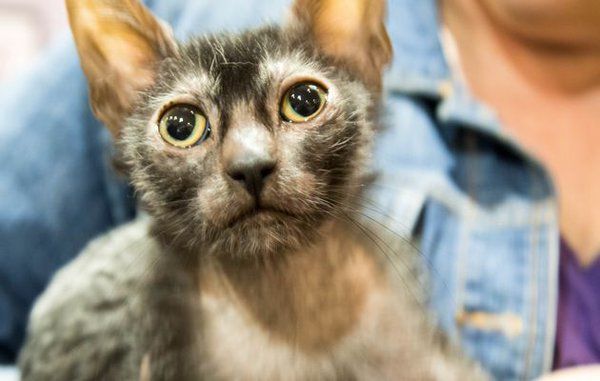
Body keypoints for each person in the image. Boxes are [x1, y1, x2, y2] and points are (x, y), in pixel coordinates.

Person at [0, 0, 598, 379]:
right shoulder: (194, 12)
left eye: (302, 102)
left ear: (362, 54)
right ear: (117, 97)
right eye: (183, 126)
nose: (250, 157)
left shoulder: (387, 282)